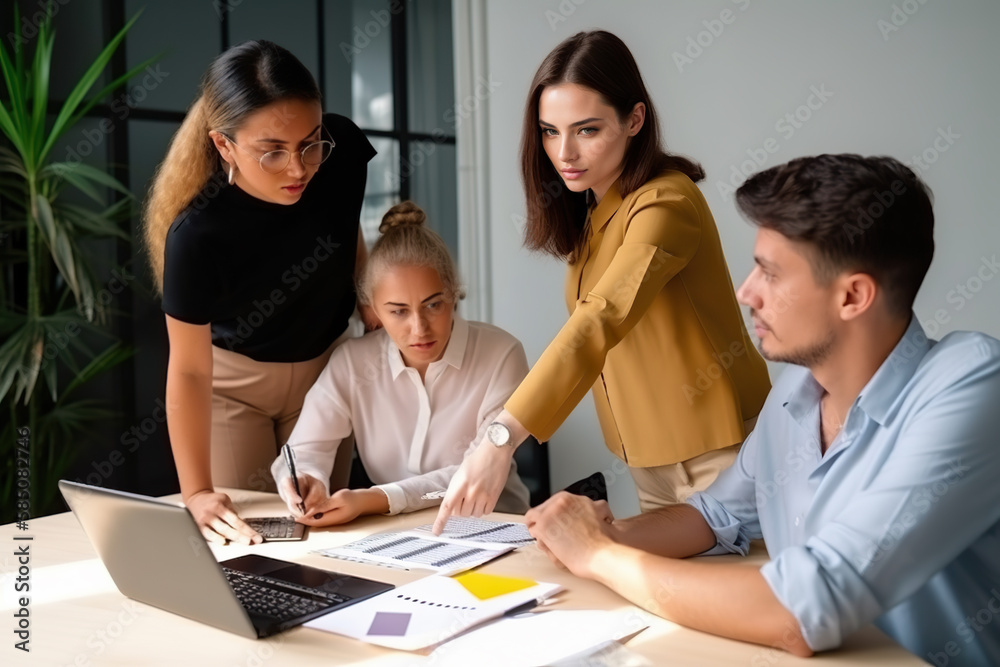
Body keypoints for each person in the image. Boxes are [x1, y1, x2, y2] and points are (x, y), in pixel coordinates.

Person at [525, 154, 1000, 664]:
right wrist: (602, 532)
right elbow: (718, 513)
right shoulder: (800, 384)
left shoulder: (971, 383)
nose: (745, 292)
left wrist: (600, 555)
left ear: (853, 296)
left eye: (771, 274)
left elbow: (803, 611)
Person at [434, 30, 770, 531]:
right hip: (647, 456)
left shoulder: (666, 204)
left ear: (634, 119)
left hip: (718, 450)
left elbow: (600, 319)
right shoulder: (598, 212)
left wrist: (499, 438)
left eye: (586, 130)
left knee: (738, 600)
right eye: (550, 131)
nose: (564, 151)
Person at [144, 40, 375, 545]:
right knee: (248, 538)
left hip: (324, 373)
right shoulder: (197, 233)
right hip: (233, 389)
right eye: (272, 151)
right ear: (224, 145)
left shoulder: (341, 154)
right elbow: (187, 368)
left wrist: (369, 298)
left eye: (310, 143)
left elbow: (344, 227)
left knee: (318, 529)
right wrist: (196, 492)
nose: (298, 169)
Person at [271, 202, 530, 526]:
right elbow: (303, 450)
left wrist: (372, 499)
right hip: (396, 533)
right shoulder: (353, 364)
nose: (419, 328)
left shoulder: (502, 354)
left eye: (433, 305)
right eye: (398, 311)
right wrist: (304, 480)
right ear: (373, 309)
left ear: (453, 293)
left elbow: (474, 470)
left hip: (496, 525)